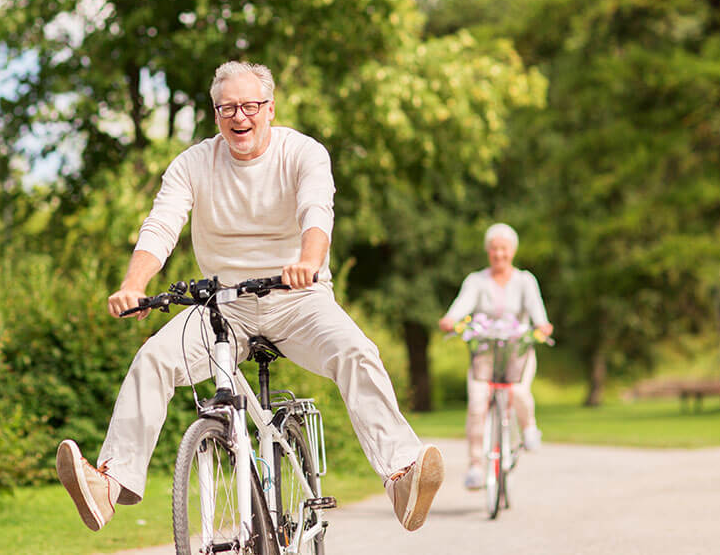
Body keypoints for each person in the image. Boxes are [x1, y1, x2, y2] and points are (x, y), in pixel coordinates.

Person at [56, 61, 444, 533]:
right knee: (153, 358)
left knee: (356, 351)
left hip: (298, 298)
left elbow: (316, 211)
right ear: (215, 114)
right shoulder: (193, 163)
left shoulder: (302, 153)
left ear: (270, 108)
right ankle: (109, 485)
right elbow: (161, 225)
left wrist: (308, 261)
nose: (239, 117)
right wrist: (133, 284)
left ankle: (401, 475)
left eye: (249, 106)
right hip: (223, 305)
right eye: (227, 108)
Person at [437, 223, 553, 491]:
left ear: (512, 251)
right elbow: (462, 305)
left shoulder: (525, 280)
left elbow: (538, 313)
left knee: (519, 392)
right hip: (485, 353)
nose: (499, 254)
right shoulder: (477, 281)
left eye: (504, 249)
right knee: (477, 403)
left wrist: (542, 325)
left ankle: (529, 428)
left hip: (517, 352)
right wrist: (450, 319)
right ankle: (476, 466)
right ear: (488, 252)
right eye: (494, 249)